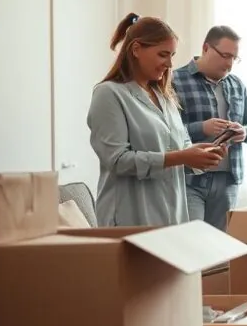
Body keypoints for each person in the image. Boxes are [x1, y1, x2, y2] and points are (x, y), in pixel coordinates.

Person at [87, 13, 225, 227]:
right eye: (163, 54)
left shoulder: (165, 97)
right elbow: (117, 161)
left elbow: (179, 146)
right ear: (136, 49)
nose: (169, 64)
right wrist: (181, 156)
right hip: (129, 218)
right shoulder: (109, 94)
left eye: (172, 55)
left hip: (170, 216)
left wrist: (199, 154)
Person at [173, 25, 247, 231]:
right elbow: (167, 132)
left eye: (234, 58)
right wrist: (201, 128)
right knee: (192, 241)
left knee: (220, 245)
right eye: (225, 55)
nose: (229, 63)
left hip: (228, 181)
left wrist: (245, 132)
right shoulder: (175, 81)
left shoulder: (237, 85)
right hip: (189, 180)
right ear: (206, 48)